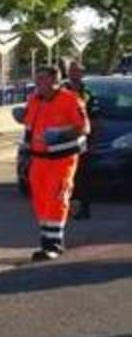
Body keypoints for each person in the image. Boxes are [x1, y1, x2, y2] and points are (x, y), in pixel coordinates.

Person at [22, 66, 89, 261]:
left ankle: (53, 245)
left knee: (56, 198)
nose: (38, 83)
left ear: (55, 80)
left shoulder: (71, 99)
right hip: (39, 159)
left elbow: (83, 128)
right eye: (37, 79)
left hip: (62, 159)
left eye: (42, 79)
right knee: (40, 200)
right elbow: (29, 127)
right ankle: (47, 241)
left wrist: (60, 135)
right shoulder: (34, 100)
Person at [65, 61, 97, 220]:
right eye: (72, 71)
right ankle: (65, 208)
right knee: (65, 176)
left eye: (77, 71)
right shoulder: (61, 92)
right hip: (64, 140)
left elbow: (95, 119)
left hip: (82, 140)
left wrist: (92, 142)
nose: (74, 74)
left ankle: (83, 208)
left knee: (82, 176)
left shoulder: (88, 93)